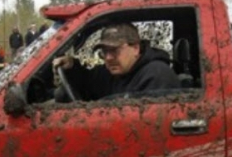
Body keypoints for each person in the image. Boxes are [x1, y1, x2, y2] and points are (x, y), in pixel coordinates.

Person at [52, 22, 180, 102]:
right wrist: (72, 67)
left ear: (136, 48)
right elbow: (87, 81)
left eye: (114, 50)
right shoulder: (112, 72)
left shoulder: (157, 76)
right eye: (104, 52)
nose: (108, 57)